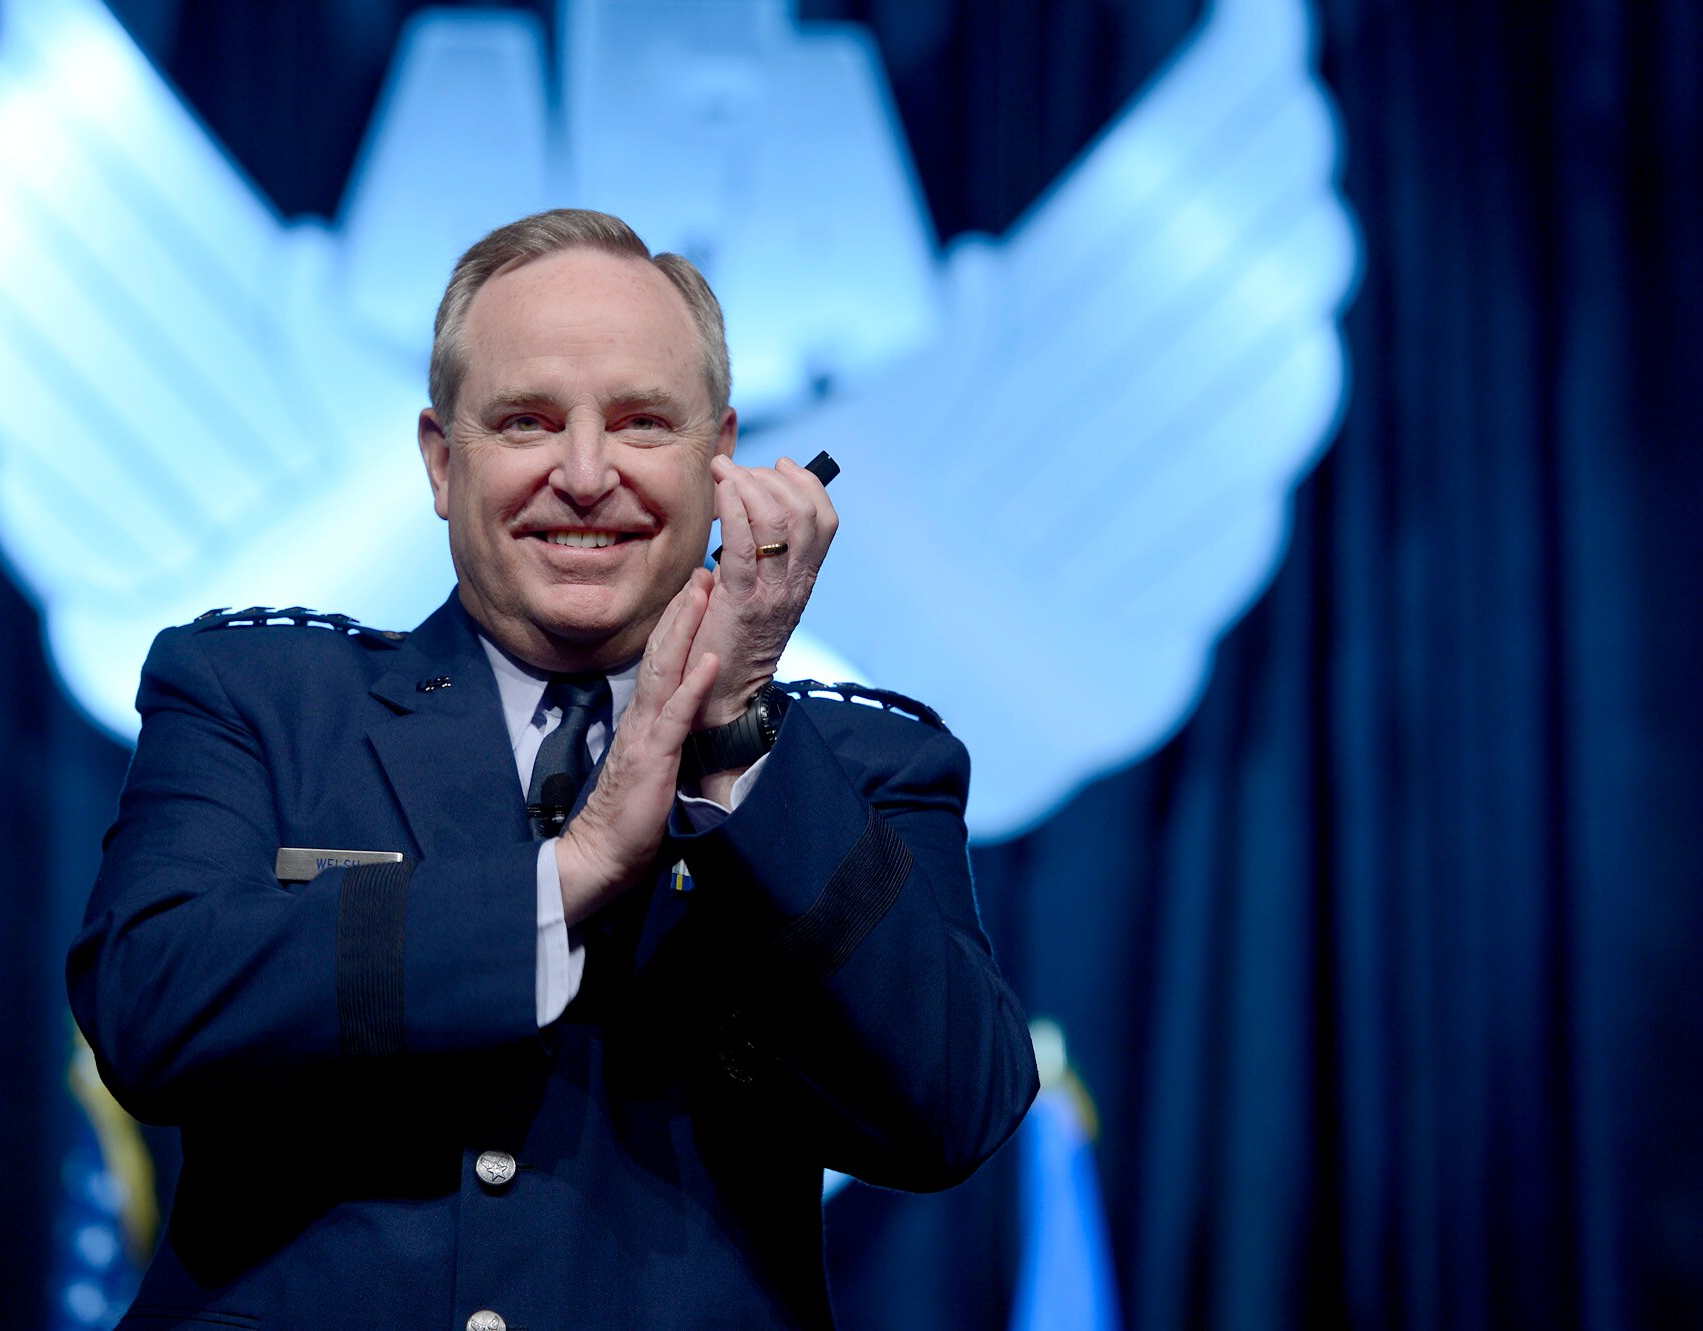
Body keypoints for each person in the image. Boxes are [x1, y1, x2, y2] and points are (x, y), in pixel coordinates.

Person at [69, 208, 1036, 1330]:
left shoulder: (862, 766)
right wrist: (563, 878)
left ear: (718, 457)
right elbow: (149, 1011)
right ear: (442, 461)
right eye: (527, 421)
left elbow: (951, 1109)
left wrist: (733, 738)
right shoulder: (257, 699)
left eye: (639, 422)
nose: (584, 475)